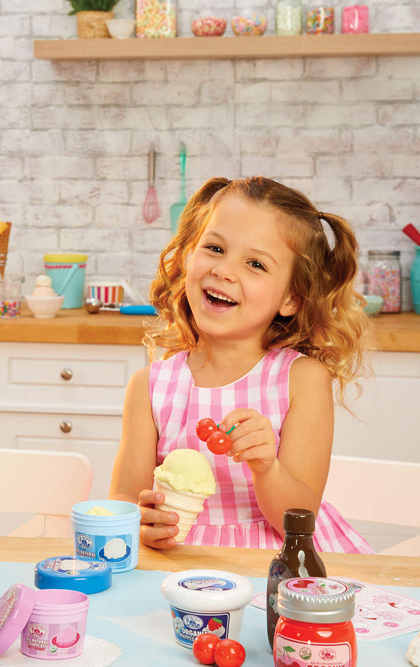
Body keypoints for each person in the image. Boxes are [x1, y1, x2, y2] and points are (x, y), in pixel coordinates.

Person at [110, 176, 373, 553]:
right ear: (188, 257)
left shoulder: (300, 380)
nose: (224, 270)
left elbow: (299, 517)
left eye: (255, 263)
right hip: (180, 563)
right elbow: (125, 500)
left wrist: (267, 467)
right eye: (214, 247)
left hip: (275, 563)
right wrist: (143, 526)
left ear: (292, 299)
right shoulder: (150, 386)